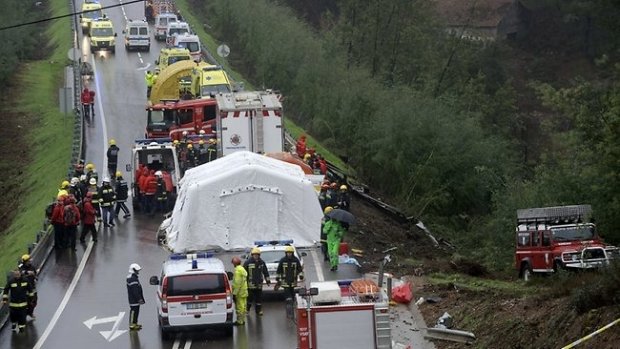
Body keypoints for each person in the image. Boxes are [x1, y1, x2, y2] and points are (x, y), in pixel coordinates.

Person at [243, 248, 270, 316]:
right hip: (250, 284)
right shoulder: (247, 262)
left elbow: (265, 272)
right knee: (250, 298)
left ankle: (258, 311)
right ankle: (247, 310)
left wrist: (268, 280)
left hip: (259, 284)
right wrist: (244, 283)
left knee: (259, 299)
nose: (256, 256)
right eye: (254, 255)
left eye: (257, 255)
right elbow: (244, 273)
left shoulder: (262, 263)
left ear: (259, 255)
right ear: (252, 255)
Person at [18, 255, 38, 320]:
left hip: (32, 287)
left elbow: (35, 273)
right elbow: (21, 272)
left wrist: (35, 277)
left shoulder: (32, 266)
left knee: (34, 301)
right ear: (25, 262)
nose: (30, 261)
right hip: (24, 288)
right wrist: (28, 272)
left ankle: (30, 312)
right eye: (28, 260)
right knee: (25, 302)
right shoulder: (21, 267)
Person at [126, 263, 145, 331]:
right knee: (134, 311)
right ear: (133, 270)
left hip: (134, 299)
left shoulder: (133, 277)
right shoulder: (133, 279)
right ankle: (132, 324)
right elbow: (135, 291)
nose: (138, 271)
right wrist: (139, 299)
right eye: (137, 270)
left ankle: (134, 323)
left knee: (136, 311)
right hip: (134, 300)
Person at [231, 256, 248, 326]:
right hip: (244, 291)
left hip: (239, 292)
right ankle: (243, 320)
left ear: (234, 263)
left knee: (239, 307)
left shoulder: (237, 271)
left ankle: (239, 321)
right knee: (243, 306)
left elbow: (237, 284)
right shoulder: (242, 269)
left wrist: (234, 293)